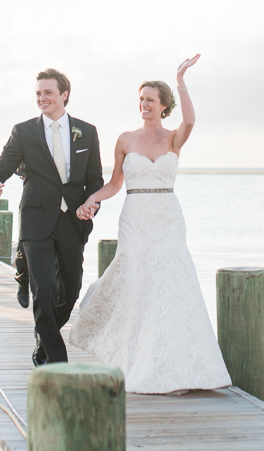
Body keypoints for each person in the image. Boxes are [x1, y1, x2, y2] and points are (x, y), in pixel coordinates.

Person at [70, 55, 231, 394]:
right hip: (136, 216)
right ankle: (136, 360)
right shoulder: (125, 140)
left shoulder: (174, 138)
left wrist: (181, 78)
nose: (143, 104)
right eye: (141, 99)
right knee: (140, 283)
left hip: (169, 217)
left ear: (163, 106)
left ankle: (183, 367)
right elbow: (114, 183)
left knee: (173, 285)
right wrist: (92, 200)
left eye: (150, 100)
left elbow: (191, 120)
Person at [0, 68, 104, 366]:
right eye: (38, 93)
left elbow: (95, 181)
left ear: (64, 95)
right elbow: (3, 164)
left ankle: (44, 336)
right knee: (44, 290)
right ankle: (55, 360)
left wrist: (93, 204)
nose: (42, 98)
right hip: (36, 220)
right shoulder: (24, 131)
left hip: (73, 220)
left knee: (72, 288)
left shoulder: (86, 131)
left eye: (48, 92)